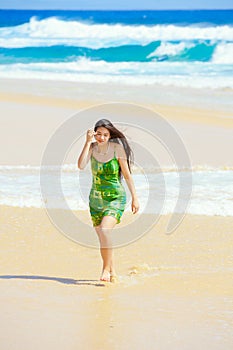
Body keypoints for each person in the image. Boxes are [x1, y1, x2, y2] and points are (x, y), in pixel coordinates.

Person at [78, 119, 139, 282]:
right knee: (103, 238)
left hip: (115, 198)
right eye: (99, 134)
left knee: (105, 231)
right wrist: (87, 142)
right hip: (96, 200)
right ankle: (112, 272)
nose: (101, 138)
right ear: (94, 134)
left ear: (110, 136)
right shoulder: (91, 148)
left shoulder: (117, 150)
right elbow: (81, 165)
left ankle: (105, 269)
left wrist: (135, 197)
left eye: (105, 135)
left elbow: (126, 175)